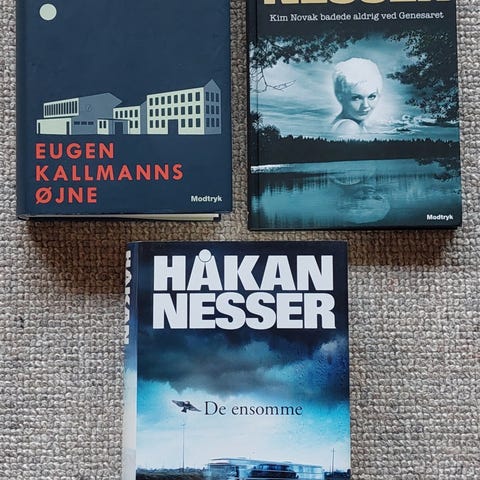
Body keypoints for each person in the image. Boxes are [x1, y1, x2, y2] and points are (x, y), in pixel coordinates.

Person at [332, 58, 383, 135]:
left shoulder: (356, 124)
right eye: (357, 98)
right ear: (340, 97)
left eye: (371, 97)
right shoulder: (349, 127)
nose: (366, 105)